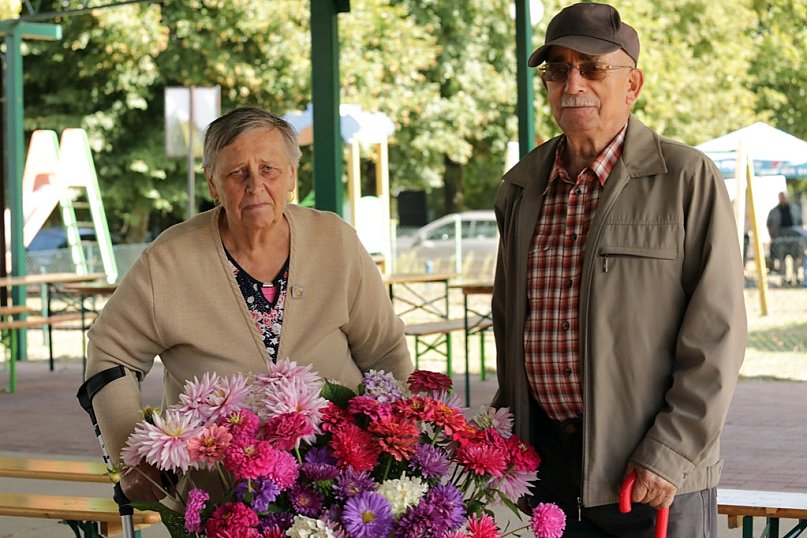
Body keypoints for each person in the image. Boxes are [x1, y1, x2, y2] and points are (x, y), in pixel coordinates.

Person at [491, 3, 747, 536]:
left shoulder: (685, 179)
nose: (573, 83)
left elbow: (718, 333)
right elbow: (509, 326)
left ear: (633, 85)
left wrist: (671, 450)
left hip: (650, 475)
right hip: (546, 473)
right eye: (557, 70)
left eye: (592, 67)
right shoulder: (520, 188)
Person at [84, 106, 413, 502]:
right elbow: (110, 353)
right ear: (212, 183)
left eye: (269, 169)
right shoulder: (169, 260)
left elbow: (385, 351)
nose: (255, 185)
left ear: (292, 175)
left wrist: (400, 448)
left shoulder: (336, 242)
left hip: (340, 485)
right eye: (237, 172)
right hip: (218, 495)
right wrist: (133, 457)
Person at [766, 191, 805, 284]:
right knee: (781, 260)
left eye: (784, 197)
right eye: (781, 197)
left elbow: (800, 223)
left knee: (797, 258)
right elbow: (769, 225)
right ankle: (784, 279)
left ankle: (796, 277)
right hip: (780, 239)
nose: (783, 199)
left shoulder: (795, 209)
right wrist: (774, 237)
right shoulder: (774, 211)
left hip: (794, 239)